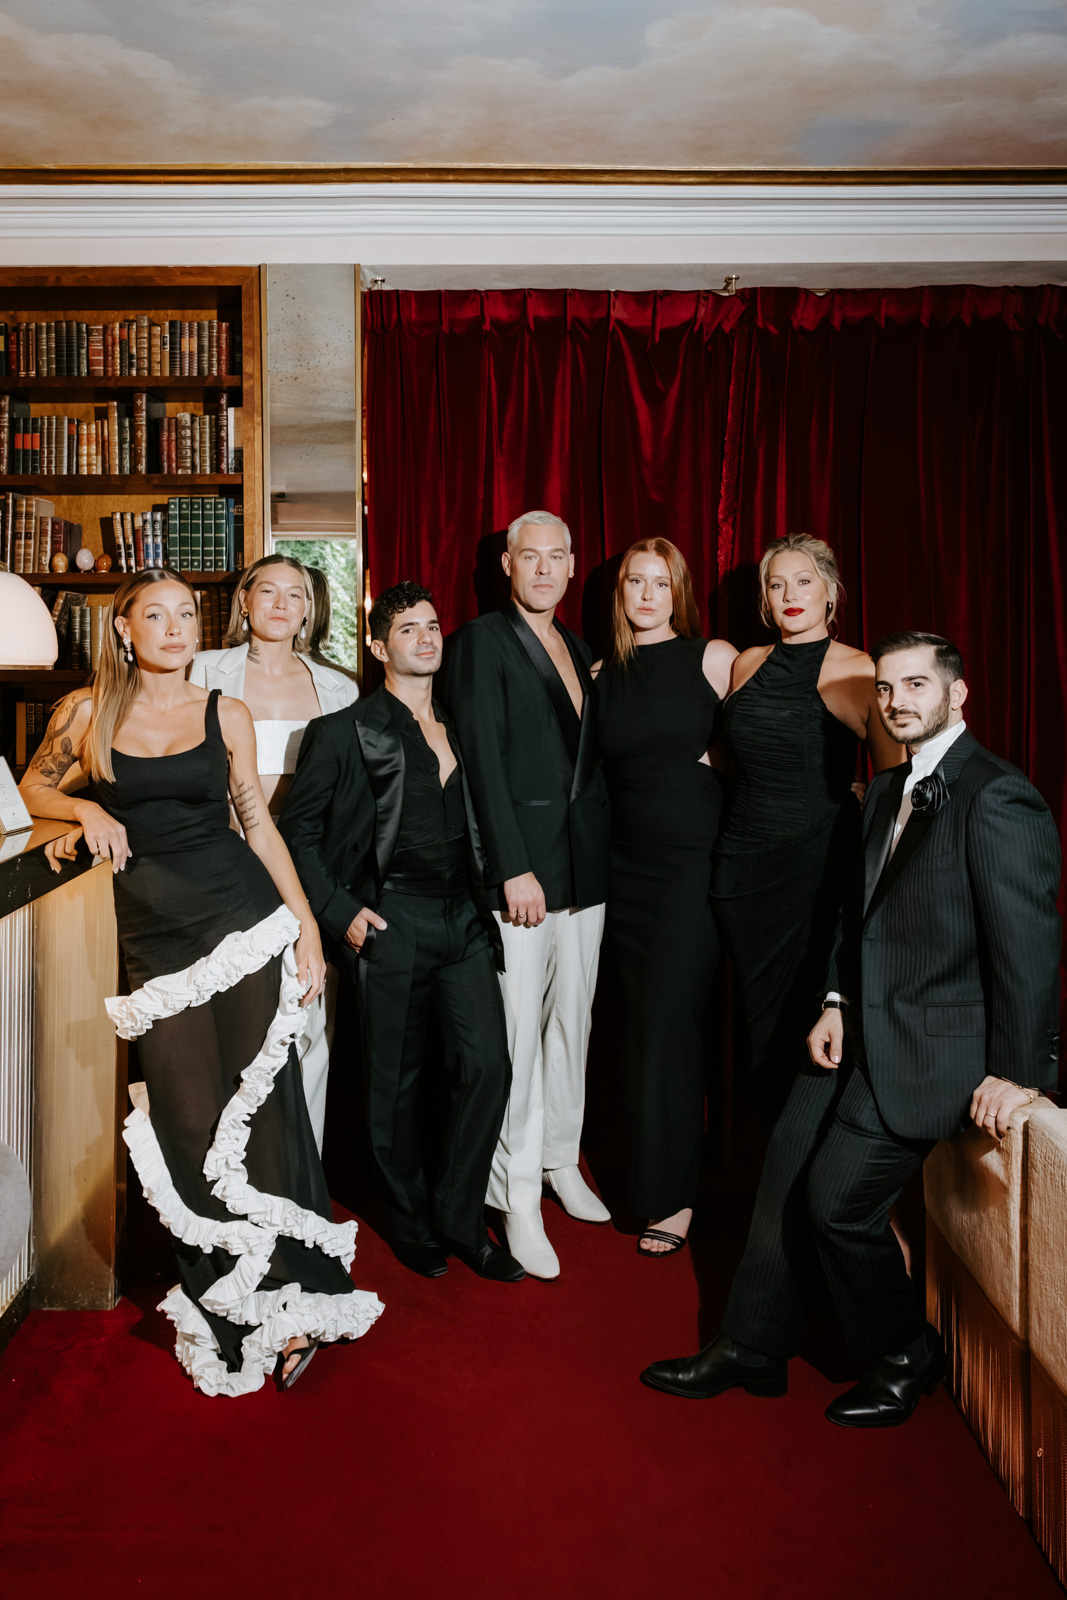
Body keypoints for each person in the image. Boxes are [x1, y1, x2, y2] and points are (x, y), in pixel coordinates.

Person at [641, 632, 1062, 1427]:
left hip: (927, 1049)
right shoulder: (884, 789)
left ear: (955, 694)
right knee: (780, 1174)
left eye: (915, 685)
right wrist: (833, 1001)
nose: (898, 700)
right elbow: (853, 917)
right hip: (852, 1028)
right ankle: (748, 1346)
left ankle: (905, 1351)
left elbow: (1029, 948)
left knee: (835, 1204)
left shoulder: (996, 795)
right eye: (887, 689)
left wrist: (1022, 1071)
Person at [21, 568, 383, 1396]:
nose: (177, 627)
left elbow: (255, 823)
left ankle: (294, 1302)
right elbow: (33, 784)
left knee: (266, 1113)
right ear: (124, 629)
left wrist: (303, 932)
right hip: (156, 940)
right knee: (188, 1123)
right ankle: (227, 1297)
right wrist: (86, 810)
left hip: (243, 921)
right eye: (157, 614)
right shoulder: (87, 712)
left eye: (187, 613)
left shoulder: (226, 711)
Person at [279, 582, 523, 1284]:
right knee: (393, 1084)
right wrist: (340, 912)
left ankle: (458, 1218)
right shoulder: (342, 732)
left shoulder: (460, 726)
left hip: (463, 921)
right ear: (380, 647)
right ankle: (411, 1225)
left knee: (487, 1068)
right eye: (408, 630)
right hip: (391, 919)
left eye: (432, 625)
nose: (426, 637)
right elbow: (297, 836)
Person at [439, 510, 612, 1280]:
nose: (543, 569)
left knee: (571, 1025)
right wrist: (509, 866)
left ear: (573, 566)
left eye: (557, 557)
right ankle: (514, 1197)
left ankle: (558, 1161)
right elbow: (478, 757)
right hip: (525, 875)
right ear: (506, 564)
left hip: (585, 869)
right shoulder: (479, 642)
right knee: (517, 1040)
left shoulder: (579, 648)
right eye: (529, 557)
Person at [711, 533, 900, 1122]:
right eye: (776, 583)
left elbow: (897, 787)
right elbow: (725, 760)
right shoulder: (746, 663)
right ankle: (771, 1166)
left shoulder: (861, 671)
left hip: (816, 871)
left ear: (830, 593)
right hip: (741, 869)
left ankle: (803, 1176)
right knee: (755, 1028)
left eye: (804, 581)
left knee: (806, 1026)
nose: (790, 594)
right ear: (765, 601)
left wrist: (856, 796)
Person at [593, 539, 736, 1255]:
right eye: (633, 582)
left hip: (691, 869)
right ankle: (654, 1175)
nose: (645, 594)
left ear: (678, 592)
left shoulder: (713, 658)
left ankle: (672, 1197)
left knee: (668, 1027)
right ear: (619, 592)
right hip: (621, 873)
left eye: (659, 582)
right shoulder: (599, 674)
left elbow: (766, 746)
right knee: (634, 1030)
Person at [189, 553, 358, 1153]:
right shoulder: (205, 670)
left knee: (311, 1011)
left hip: (313, 864)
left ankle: (302, 1164)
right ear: (244, 601)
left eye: (296, 594)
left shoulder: (339, 687)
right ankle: (238, 1163)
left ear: (309, 609)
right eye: (269, 592)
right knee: (241, 1018)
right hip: (227, 860)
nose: (282, 604)